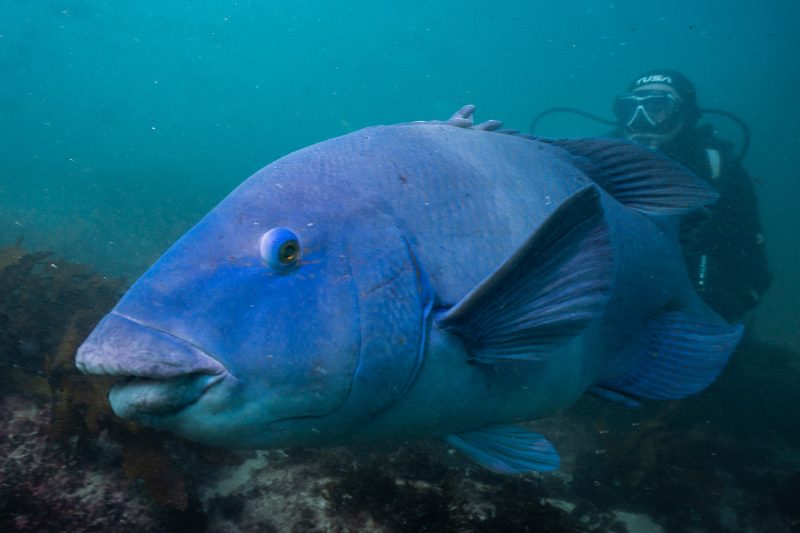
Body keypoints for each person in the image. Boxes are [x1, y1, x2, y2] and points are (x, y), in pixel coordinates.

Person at [611, 69, 771, 323]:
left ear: (684, 115)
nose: (639, 119)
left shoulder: (718, 170)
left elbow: (753, 269)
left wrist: (712, 316)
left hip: (695, 321)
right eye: (630, 107)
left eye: (656, 107)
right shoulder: (594, 164)